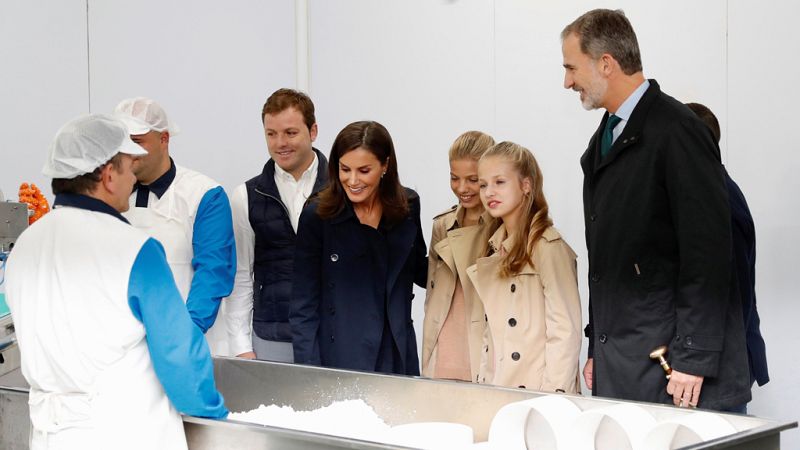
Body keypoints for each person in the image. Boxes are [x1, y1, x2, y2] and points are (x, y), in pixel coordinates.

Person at [561, 9, 751, 410]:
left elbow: (709, 253)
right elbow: (612, 264)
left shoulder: (677, 130)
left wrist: (694, 356)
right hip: (627, 363)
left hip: (674, 373)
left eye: (571, 67)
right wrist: (599, 344)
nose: (567, 82)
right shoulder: (605, 140)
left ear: (606, 63)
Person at [4, 114, 227, 450]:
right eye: (128, 168)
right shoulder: (134, 249)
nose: (132, 177)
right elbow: (179, 355)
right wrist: (215, 416)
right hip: (125, 432)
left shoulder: (25, 246)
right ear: (108, 175)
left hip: (52, 436)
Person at [290, 120, 427, 375]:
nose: (352, 180)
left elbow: (421, 270)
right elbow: (303, 304)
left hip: (396, 352)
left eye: (364, 170)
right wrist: (308, 373)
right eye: (345, 169)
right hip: (340, 355)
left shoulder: (407, 206)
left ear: (385, 165)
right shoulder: (317, 214)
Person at [114, 97, 236, 356]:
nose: (127, 151)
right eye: (122, 141)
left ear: (164, 138)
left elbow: (213, 273)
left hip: (188, 346)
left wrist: (182, 338)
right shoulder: (111, 194)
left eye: (137, 142)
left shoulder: (204, 194)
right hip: (125, 348)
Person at [465, 141, 582, 392]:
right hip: (500, 387)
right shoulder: (495, 247)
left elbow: (565, 332)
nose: (488, 192)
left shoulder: (548, 246)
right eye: (483, 184)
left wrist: (553, 400)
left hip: (538, 393)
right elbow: (491, 335)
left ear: (526, 185)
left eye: (500, 182)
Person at [225, 89, 328, 361]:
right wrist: (240, 346)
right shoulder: (246, 196)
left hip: (331, 334)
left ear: (313, 131)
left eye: (290, 133)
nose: (280, 143)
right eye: (271, 134)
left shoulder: (342, 189)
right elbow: (241, 275)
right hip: (271, 337)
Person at [685, 102, 770, 394]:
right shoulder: (708, 193)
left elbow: (734, 295)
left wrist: (697, 360)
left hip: (721, 366)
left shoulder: (718, 201)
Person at [422, 131, 495, 382]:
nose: (461, 188)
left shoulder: (505, 226)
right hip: (443, 346)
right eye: (454, 178)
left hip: (488, 349)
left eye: (473, 179)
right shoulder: (442, 225)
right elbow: (433, 293)